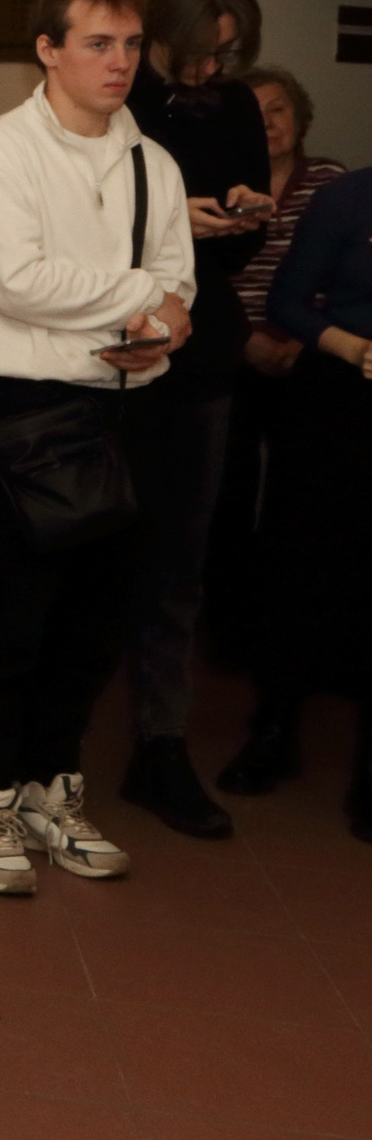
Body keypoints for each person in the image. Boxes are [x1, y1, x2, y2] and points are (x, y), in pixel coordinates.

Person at [0, 0, 195, 896]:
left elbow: (181, 284)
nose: (119, 62)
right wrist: (140, 303)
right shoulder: (2, 153)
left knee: (97, 622)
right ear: (48, 51)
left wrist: (162, 333)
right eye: (98, 44)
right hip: (27, 413)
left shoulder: (151, 162)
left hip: (130, 407)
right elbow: (18, 282)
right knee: (13, 621)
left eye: (130, 45)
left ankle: (52, 788)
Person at [110, 0, 270, 842]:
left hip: (202, 360)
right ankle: (44, 745)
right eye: (196, 52)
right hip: (117, 356)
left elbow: (237, 256)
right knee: (95, 550)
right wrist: (177, 223)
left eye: (224, 52)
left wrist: (240, 214)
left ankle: (160, 746)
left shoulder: (237, 106)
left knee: (178, 566)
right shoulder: (116, 103)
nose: (209, 70)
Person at [217, 164, 372, 832]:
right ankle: (273, 734)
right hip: (336, 400)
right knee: (299, 568)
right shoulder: (347, 196)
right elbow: (285, 302)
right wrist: (350, 345)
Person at [206, 66, 343, 679]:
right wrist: (248, 342)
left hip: (313, 359)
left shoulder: (331, 184)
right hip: (235, 355)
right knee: (227, 496)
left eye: (279, 110)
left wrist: (298, 339)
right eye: (255, 113)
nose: (268, 123)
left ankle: (291, 631)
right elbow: (204, 279)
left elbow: (348, 280)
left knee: (301, 500)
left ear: (301, 117)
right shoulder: (222, 190)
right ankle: (229, 630)